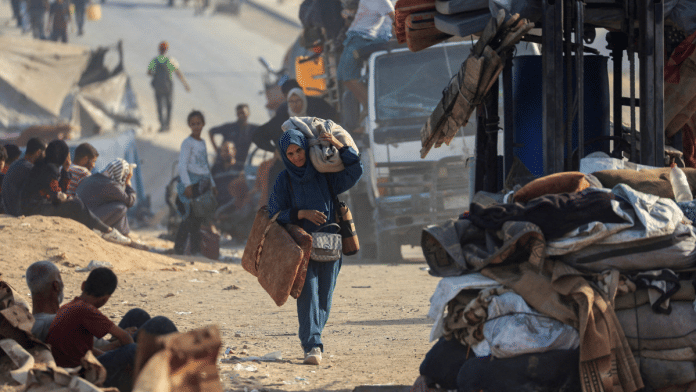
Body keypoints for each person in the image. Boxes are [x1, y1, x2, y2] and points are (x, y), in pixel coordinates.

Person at [267, 127, 363, 365]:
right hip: (301, 247)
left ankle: (314, 335)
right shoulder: (284, 179)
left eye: (299, 150)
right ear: (284, 156)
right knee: (307, 294)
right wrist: (302, 213)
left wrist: (338, 145)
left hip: (331, 243)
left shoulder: (324, 172)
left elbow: (356, 169)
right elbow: (274, 213)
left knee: (324, 299)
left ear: (305, 148)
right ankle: (312, 345)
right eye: (290, 154)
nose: (296, 157)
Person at [45, 267, 177, 390]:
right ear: (104, 300)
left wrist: (115, 347)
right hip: (84, 374)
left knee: (137, 315)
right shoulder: (86, 310)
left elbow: (86, 350)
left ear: (83, 285)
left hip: (82, 363)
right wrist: (125, 355)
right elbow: (125, 338)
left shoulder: (68, 307)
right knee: (158, 325)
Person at [20, 140, 132, 246]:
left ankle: (104, 230)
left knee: (75, 202)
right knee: (77, 203)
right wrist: (66, 197)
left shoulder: (46, 166)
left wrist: (66, 170)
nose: (68, 158)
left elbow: (58, 190)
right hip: (35, 209)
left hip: (33, 206)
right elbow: (56, 195)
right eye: (66, 154)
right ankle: (107, 231)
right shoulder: (50, 168)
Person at [336, 0, 395, 108]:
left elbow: (395, 20)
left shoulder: (382, 2)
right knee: (342, 76)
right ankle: (366, 105)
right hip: (359, 37)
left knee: (348, 74)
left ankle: (371, 107)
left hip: (373, 39)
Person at [174, 110, 216, 255]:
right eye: (193, 124)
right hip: (192, 184)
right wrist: (187, 185)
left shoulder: (203, 143)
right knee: (188, 217)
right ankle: (179, 249)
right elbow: (182, 166)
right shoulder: (187, 143)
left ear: (203, 124)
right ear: (189, 126)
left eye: (198, 123)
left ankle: (195, 250)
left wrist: (213, 184)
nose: (196, 126)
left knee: (198, 218)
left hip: (203, 185)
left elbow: (205, 165)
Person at [76, 158, 137, 240]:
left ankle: (123, 234)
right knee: (121, 207)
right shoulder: (111, 185)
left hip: (79, 217)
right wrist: (128, 182)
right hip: (88, 222)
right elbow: (130, 201)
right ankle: (119, 233)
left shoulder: (92, 177)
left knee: (117, 203)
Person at [147, 41, 191, 132]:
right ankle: (167, 125)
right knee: (168, 106)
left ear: (159, 49)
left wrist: (156, 74)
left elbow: (149, 73)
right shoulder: (170, 60)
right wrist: (185, 85)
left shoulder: (155, 60)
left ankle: (162, 125)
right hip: (168, 87)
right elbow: (178, 73)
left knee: (159, 106)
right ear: (167, 50)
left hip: (158, 87)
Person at [1, 138, 46, 216]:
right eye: (45, 153)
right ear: (38, 152)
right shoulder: (29, 168)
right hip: (18, 213)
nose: (46, 157)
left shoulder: (16, 164)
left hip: (9, 210)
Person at [208, 103, 257, 169]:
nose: (241, 115)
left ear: (248, 113)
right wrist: (217, 150)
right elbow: (211, 131)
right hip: (222, 163)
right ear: (237, 114)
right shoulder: (229, 127)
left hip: (239, 165)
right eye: (239, 113)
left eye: (243, 113)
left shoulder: (252, 129)